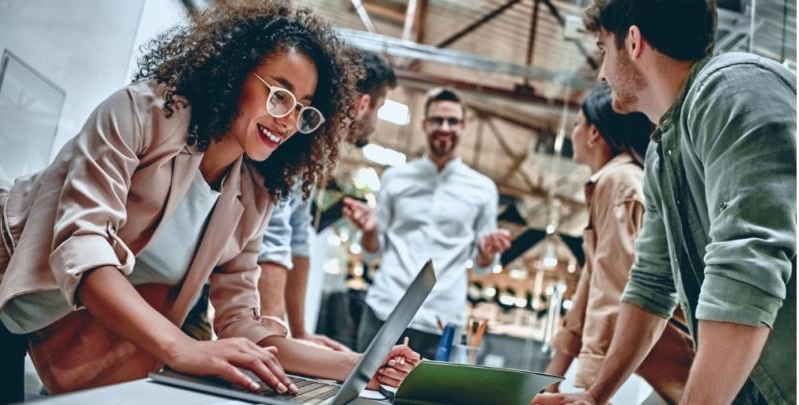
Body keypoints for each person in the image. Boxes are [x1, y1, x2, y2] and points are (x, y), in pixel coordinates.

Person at [0, 3, 417, 403]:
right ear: (234, 74)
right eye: (279, 95)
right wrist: (184, 349)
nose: (287, 120)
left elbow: (242, 322)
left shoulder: (253, 193)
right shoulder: (140, 114)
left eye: (303, 109)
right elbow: (83, 249)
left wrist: (359, 365)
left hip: (50, 326)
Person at [534, 1, 795, 404]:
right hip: (750, 380)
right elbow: (652, 284)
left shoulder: (735, 90)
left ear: (633, 42)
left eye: (604, 49)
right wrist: (594, 396)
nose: (602, 73)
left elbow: (747, 269)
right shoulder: (662, 150)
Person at [543, 85, 694, 403]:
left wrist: (589, 386)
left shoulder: (618, 182)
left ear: (594, 133)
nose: (572, 133)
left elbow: (614, 289)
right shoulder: (615, 181)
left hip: (654, 363)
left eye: (575, 125)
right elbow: (590, 286)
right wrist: (552, 377)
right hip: (648, 365)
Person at [343, 87, 512, 360]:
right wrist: (371, 231)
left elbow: (483, 267)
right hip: (386, 308)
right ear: (424, 124)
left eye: (453, 121)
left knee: (429, 400)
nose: (444, 127)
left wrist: (488, 252)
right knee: (362, 395)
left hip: (442, 319)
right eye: (437, 120)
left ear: (464, 127)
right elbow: (372, 250)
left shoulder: (483, 189)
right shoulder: (395, 178)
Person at [255, 50, 397, 351]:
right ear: (362, 104)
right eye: (380, 108)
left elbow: (297, 237)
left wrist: (299, 332)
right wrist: (275, 338)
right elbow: (274, 236)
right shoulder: (297, 138)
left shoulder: (317, 151)